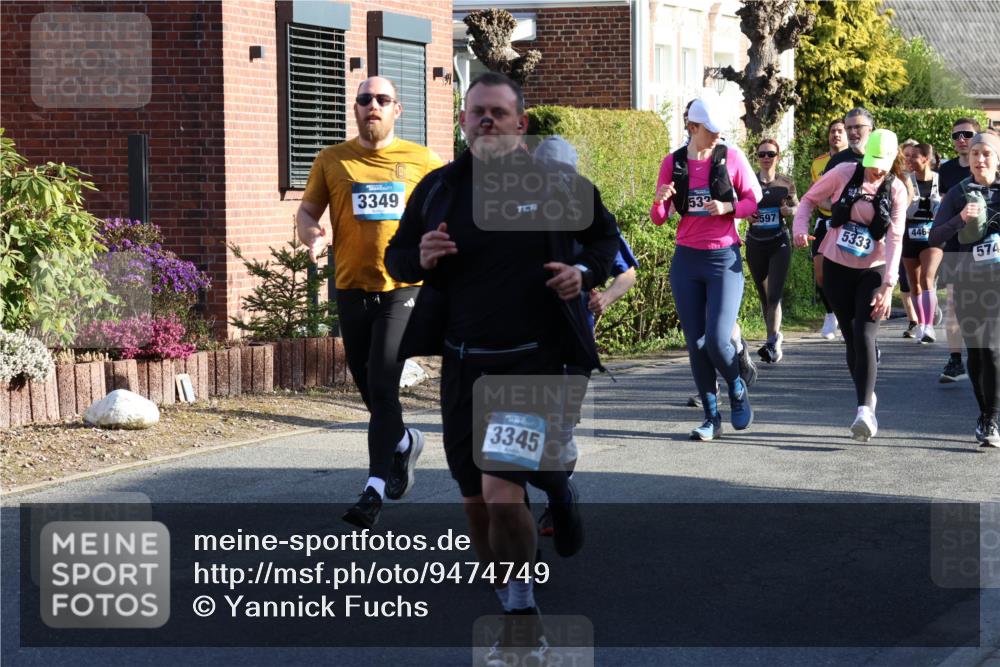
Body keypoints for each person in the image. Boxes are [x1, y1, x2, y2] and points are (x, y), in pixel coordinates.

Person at [385, 72, 619, 662]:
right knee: (475, 505)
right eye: (476, 113)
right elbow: (396, 256)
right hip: (464, 365)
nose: (486, 121)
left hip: (530, 363)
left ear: (521, 123)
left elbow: (604, 242)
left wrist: (583, 275)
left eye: (498, 113)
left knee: (501, 491)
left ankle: (520, 618)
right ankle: (519, 572)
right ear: (463, 122)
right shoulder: (439, 189)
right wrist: (421, 256)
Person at [294, 76, 443, 529]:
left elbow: (451, 208)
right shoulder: (332, 160)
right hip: (351, 288)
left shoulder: (421, 160)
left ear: (398, 109)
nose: (372, 105)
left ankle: (374, 489)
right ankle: (403, 443)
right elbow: (306, 212)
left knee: (382, 381)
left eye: (382, 99)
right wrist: (311, 235)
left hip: (404, 289)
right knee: (370, 390)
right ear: (355, 109)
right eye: (364, 99)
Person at [532, 135, 639, 537]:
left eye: (561, 172)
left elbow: (626, 270)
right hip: (527, 343)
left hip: (575, 342)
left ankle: (555, 502)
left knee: (559, 432)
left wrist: (605, 297)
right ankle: (554, 495)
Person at [650, 95, 759, 441]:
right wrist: (659, 200)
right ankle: (712, 418)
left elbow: (753, 202)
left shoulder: (732, 158)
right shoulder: (673, 162)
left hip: (723, 259)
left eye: (718, 130)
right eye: (709, 130)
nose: (716, 136)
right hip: (687, 259)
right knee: (695, 344)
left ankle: (737, 386)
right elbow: (658, 219)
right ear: (692, 127)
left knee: (715, 338)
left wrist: (728, 207)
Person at [794, 129, 907, 442]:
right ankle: (866, 394)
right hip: (836, 265)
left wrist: (888, 284)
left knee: (864, 333)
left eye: (883, 164)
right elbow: (808, 200)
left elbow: (896, 237)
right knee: (849, 337)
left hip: (873, 269)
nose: (877, 169)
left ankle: (863, 412)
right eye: (873, 163)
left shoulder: (897, 190)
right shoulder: (843, 172)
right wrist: (800, 228)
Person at [929, 132, 1000, 447]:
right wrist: (960, 219)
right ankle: (984, 412)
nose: (980, 159)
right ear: (968, 158)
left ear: (997, 158)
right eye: (975, 154)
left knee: (995, 350)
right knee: (978, 352)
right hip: (968, 279)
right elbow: (935, 236)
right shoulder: (957, 194)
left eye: (987, 153)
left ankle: (991, 420)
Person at [931, 118, 981, 383]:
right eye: (956, 135)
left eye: (967, 134)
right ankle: (955, 360)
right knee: (953, 305)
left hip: (986, 247)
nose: (961, 139)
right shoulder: (946, 171)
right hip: (955, 247)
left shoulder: (990, 167)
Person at [747, 138, 798, 363]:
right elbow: (738, 209)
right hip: (755, 242)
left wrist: (789, 210)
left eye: (771, 154)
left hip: (779, 242)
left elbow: (798, 206)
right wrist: (745, 215)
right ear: (757, 158)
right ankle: (774, 338)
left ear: (778, 157)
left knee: (774, 294)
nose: (766, 158)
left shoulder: (785, 183)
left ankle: (771, 343)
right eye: (762, 154)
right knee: (764, 295)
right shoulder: (748, 183)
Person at [811, 118, 848, 339]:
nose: (836, 134)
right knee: (821, 274)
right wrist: (834, 210)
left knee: (846, 273)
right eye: (833, 130)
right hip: (825, 221)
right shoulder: (818, 163)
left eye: (840, 131)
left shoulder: (857, 160)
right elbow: (816, 196)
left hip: (849, 223)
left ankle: (845, 317)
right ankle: (829, 314)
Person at [903, 143, 942, 342]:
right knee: (914, 284)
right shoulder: (905, 180)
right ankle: (920, 323)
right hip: (910, 235)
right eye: (907, 157)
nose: (909, 161)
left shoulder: (939, 180)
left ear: (926, 159)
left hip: (932, 236)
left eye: (914, 157)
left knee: (927, 279)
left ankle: (929, 326)